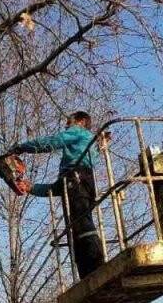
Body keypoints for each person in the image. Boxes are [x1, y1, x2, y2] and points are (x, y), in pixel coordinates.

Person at [6, 110, 105, 277]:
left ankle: (97, 267)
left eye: (69, 122)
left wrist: (22, 147)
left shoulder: (80, 132)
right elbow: (55, 189)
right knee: (75, 229)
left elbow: (53, 142)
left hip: (78, 179)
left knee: (82, 223)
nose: (66, 126)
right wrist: (30, 187)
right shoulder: (77, 164)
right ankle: (87, 274)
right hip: (79, 182)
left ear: (80, 121)